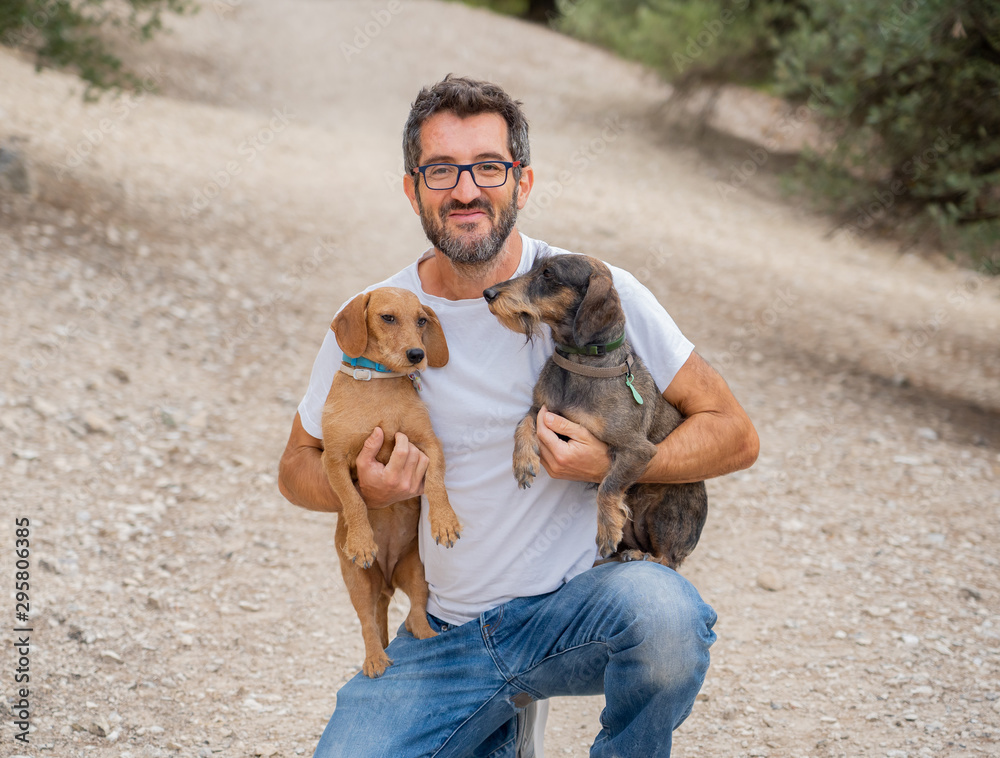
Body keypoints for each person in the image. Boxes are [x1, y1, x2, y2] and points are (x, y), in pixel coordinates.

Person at [278, 74, 759, 758]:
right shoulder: (377, 315)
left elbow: (736, 433)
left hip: (576, 615)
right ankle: (495, 724)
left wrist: (611, 463)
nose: (466, 190)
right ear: (412, 188)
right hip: (444, 634)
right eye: (441, 170)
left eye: (488, 168)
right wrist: (361, 489)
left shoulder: (592, 290)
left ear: (522, 182)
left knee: (666, 617)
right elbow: (295, 467)